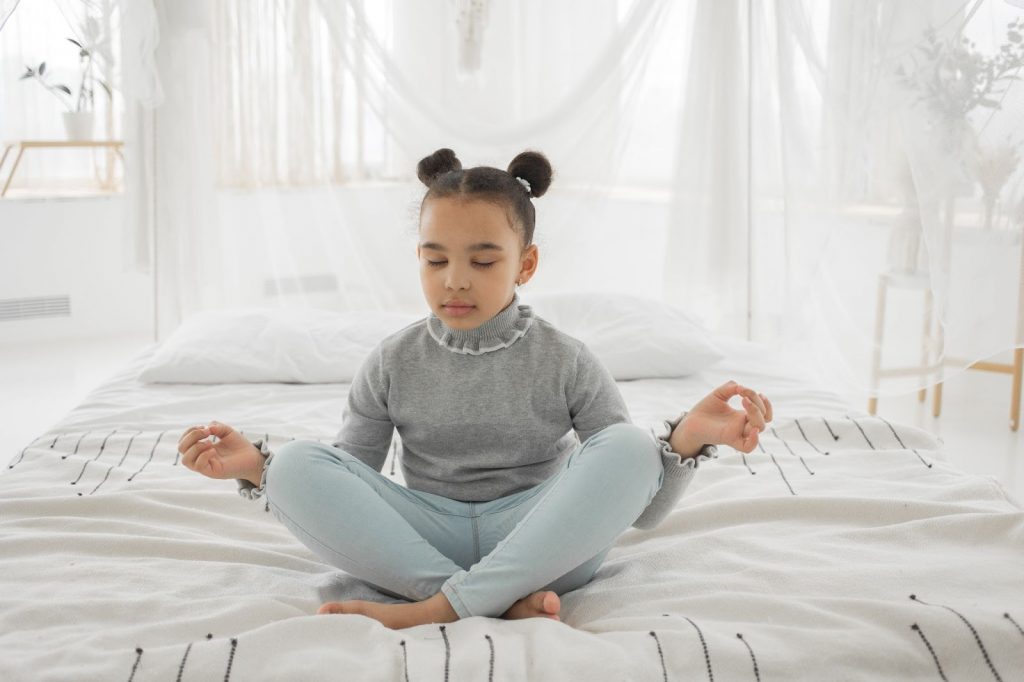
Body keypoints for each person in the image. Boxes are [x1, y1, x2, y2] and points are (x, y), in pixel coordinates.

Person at [176, 148, 773, 630]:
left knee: (629, 447)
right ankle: (492, 601)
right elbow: (346, 485)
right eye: (436, 262)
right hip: (420, 538)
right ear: (419, 259)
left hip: (542, 540)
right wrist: (255, 469)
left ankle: (439, 608)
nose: (455, 281)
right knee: (297, 462)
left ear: (526, 264)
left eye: (483, 262)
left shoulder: (567, 360)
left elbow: (643, 507)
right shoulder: (390, 361)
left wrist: (688, 440)